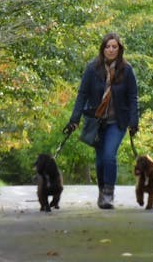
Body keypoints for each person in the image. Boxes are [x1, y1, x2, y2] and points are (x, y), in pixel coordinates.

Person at [63, 32, 139, 209]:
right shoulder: (92, 68)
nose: (111, 50)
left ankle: (108, 194)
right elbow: (82, 95)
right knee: (99, 161)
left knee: (109, 156)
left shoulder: (127, 70)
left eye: (114, 47)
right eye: (108, 46)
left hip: (117, 121)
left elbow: (133, 96)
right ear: (102, 49)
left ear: (119, 49)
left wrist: (134, 122)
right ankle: (101, 190)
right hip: (97, 122)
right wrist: (74, 119)